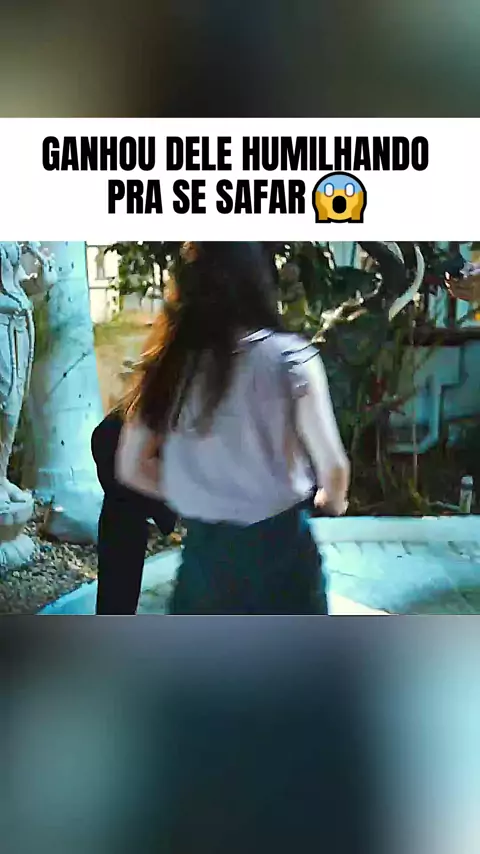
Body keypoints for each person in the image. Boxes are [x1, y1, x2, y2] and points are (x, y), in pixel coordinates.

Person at [116, 242, 350, 615]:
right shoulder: (291, 359)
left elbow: (131, 466)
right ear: (258, 281)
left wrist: (195, 490)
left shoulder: (171, 366)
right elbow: (333, 467)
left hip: (206, 560)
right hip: (285, 554)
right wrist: (331, 500)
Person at [91, 408, 177, 614]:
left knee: (117, 591)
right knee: (119, 592)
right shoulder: (137, 424)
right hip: (125, 512)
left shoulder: (129, 420)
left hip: (120, 511)